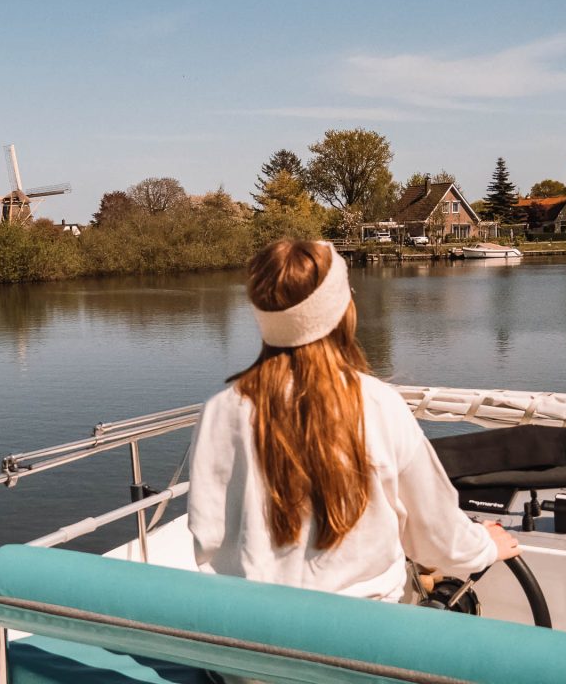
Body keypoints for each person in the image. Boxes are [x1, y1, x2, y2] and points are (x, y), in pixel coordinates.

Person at [188, 239, 519, 606]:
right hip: (362, 633)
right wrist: (485, 546)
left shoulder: (219, 411)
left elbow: (207, 534)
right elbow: (437, 537)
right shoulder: (377, 404)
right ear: (342, 311)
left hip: (244, 629)